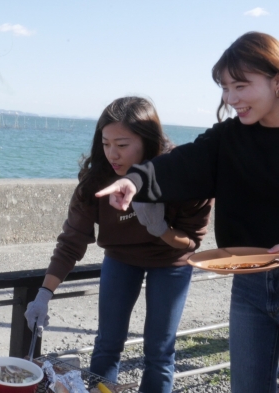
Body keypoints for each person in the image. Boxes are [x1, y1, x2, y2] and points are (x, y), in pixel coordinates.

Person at [96, 32, 279, 393]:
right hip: (251, 283)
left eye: (241, 86)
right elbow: (182, 164)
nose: (231, 99)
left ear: (277, 81)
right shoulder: (229, 137)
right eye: (225, 88)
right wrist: (134, 181)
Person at [24, 97, 212, 393]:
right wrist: (44, 294)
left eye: (122, 145)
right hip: (121, 258)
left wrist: (159, 227)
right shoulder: (97, 179)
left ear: (149, 142)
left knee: (159, 351)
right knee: (107, 343)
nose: (113, 153)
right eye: (105, 143)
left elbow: (190, 241)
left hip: (171, 260)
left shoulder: (183, 174)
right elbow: (72, 241)